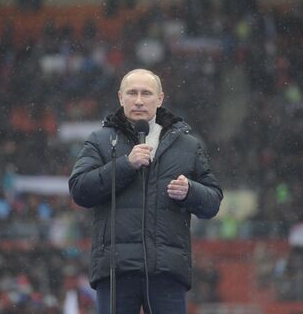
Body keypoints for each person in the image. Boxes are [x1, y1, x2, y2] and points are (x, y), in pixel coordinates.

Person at [69, 68, 223, 314]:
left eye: (146, 93)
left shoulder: (189, 145)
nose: (139, 100)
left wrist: (190, 191)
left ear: (160, 98)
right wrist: (124, 165)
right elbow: (79, 190)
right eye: (132, 93)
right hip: (115, 271)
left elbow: (213, 202)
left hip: (167, 271)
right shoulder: (99, 140)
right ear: (121, 97)